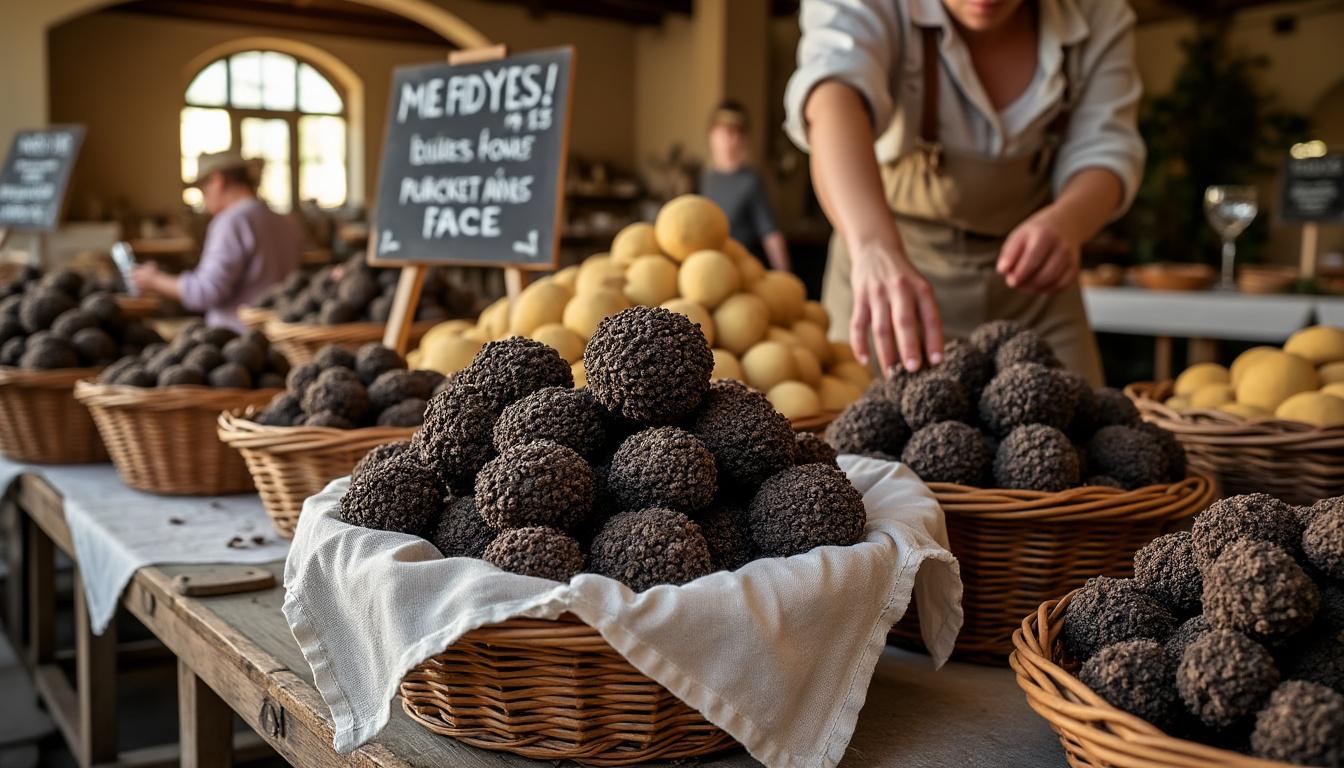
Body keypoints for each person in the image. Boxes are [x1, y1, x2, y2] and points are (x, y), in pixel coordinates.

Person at [784, 0, 1144, 386]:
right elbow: (832, 96)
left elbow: (1107, 146)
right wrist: (872, 245)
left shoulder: (1099, 11)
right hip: (889, 287)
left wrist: (1069, 220)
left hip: (1038, 300)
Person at [132, 150, 301, 332]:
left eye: (203, 189)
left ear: (217, 180)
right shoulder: (284, 221)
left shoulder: (231, 222)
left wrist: (154, 280)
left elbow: (205, 292)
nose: (204, 199)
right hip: (278, 336)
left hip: (234, 338)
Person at [700, 100, 792, 272]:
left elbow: (770, 233)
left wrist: (784, 274)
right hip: (708, 266)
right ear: (712, 133)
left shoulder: (751, 181)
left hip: (740, 269)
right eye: (726, 131)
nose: (731, 139)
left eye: (737, 132)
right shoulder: (705, 177)